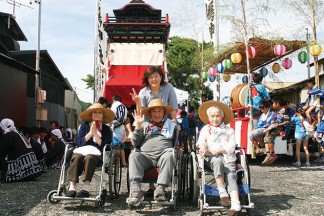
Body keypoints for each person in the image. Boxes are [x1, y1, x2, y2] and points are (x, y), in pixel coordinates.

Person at [130, 66, 178, 195]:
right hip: (147, 121)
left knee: (167, 152)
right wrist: (138, 104)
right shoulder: (143, 92)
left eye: (156, 76)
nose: (154, 79)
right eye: (150, 77)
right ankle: (141, 188)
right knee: (137, 152)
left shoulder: (168, 88)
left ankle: (160, 188)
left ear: (161, 77)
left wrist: (174, 123)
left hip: (166, 121)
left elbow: (172, 107)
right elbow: (142, 111)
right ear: (147, 79)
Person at [127, 99, 177, 207]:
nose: (157, 114)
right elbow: (135, 143)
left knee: (170, 154)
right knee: (134, 155)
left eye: (160, 111)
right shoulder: (144, 124)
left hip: (163, 154)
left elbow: (175, 142)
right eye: (154, 111)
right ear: (150, 113)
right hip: (146, 156)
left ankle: (160, 189)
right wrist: (138, 127)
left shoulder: (170, 125)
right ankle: (136, 190)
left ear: (164, 113)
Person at [196, 101, 241, 216]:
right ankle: (223, 194)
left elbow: (232, 145)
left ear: (222, 117)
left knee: (231, 174)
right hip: (211, 158)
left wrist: (220, 150)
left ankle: (236, 205)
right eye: (212, 116)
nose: (215, 119)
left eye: (217, 116)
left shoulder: (229, 130)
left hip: (227, 157)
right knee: (217, 161)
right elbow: (201, 142)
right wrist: (202, 147)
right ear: (208, 117)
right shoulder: (206, 129)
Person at [65, 103, 114, 198]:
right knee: (76, 156)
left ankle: (86, 188)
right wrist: (90, 133)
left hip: (98, 154)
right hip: (82, 150)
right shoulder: (84, 126)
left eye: (100, 112)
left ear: (103, 115)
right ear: (90, 115)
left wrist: (95, 134)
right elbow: (78, 142)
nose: (97, 114)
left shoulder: (106, 129)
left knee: (89, 157)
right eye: (94, 112)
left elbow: (106, 146)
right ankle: (72, 187)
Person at [262, 96, 290, 165]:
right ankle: (268, 155)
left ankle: (272, 154)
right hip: (274, 128)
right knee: (266, 137)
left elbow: (287, 121)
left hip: (280, 129)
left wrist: (279, 125)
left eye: (273, 103)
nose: (273, 105)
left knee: (269, 137)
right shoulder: (275, 111)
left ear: (277, 104)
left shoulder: (284, 110)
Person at [111, 95, 128, 167]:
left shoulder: (115, 105)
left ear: (113, 100)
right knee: (121, 146)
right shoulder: (124, 106)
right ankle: (123, 162)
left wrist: (113, 126)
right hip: (122, 128)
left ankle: (117, 163)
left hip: (116, 128)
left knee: (117, 146)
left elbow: (118, 118)